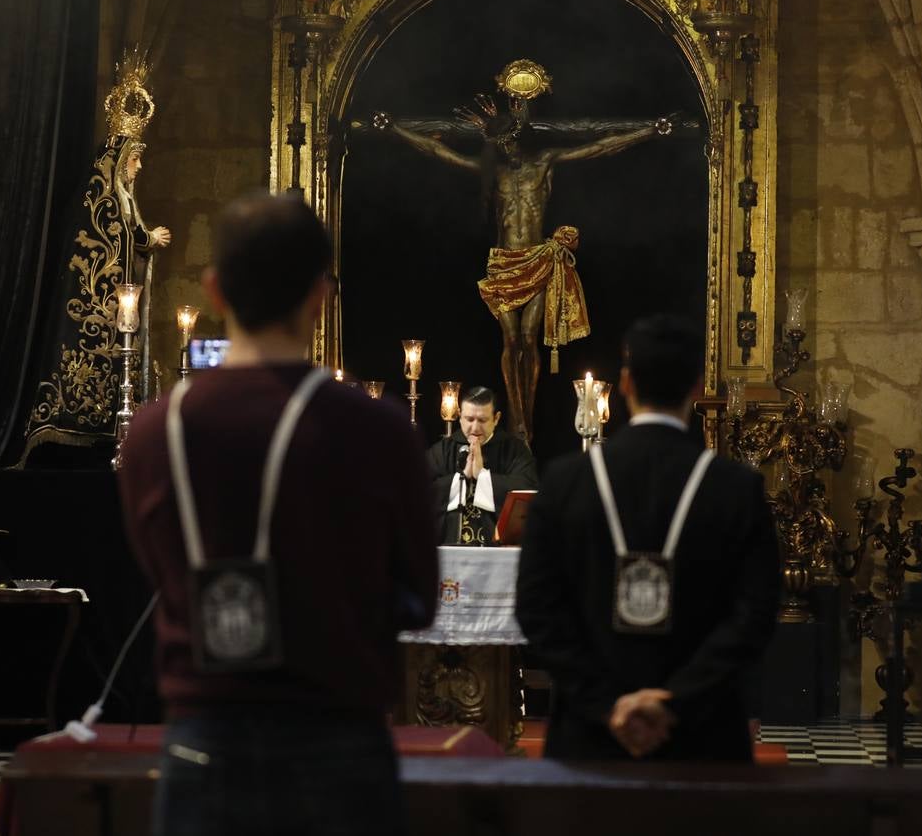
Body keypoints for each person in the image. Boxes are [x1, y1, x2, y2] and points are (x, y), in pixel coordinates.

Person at [117, 193, 437, 835]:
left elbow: (159, 576)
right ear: (321, 294)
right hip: (338, 746)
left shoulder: (152, 436)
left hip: (202, 748)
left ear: (214, 291)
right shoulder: (378, 431)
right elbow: (419, 599)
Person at [515, 314, 779, 762]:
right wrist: (676, 701)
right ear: (697, 388)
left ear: (624, 383)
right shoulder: (735, 487)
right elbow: (755, 615)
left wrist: (605, 705)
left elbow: (537, 610)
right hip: (703, 741)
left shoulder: (565, 482)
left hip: (591, 742)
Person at [376, 59, 676, 442]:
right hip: (504, 264)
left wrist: (651, 130)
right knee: (510, 341)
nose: (507, 146)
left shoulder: (543, 163)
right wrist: (396, 130)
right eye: (500, 141)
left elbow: (598, 148)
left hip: (536, 260)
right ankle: (516, 417)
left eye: (511, 138)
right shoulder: (495, 173)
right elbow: (441, 155)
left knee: (528, 341)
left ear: (520, 136)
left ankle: (524, 426)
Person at [20, 49, 171, 461]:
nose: (139, 168)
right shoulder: (100, 196)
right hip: (93, 305)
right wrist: (146, 238)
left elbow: (129, 231)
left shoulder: (122, 197)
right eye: (136, 159)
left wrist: (145, 238)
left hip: (115, 306)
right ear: (121, 160)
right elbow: (112, 232)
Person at [426, 386, 538, 545]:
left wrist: (482, 476)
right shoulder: (442, 451)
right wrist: (461, 478)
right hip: (449, 548)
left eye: (482, 420)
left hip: (498, 550)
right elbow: (419, 492)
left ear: (496, 418)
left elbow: (527, 490)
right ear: (460, 417)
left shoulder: (515, 451)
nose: (475, 427)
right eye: (469, 419)